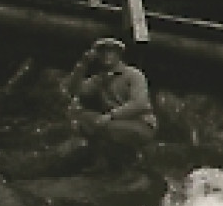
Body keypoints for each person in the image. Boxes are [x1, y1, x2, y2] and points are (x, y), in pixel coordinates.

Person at [61, 36, 158, 172]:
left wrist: (111, 115)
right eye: (102, 52)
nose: (106, 55)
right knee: (81, 118)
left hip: (140, 124)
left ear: (119, 54)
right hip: (114, 124)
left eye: (111, 51)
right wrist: (82, 64)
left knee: (102, 126)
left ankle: (130, 159)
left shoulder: (134, 74)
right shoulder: (100, 78)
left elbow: (139, 103)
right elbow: (75, 90)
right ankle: (107, 161)